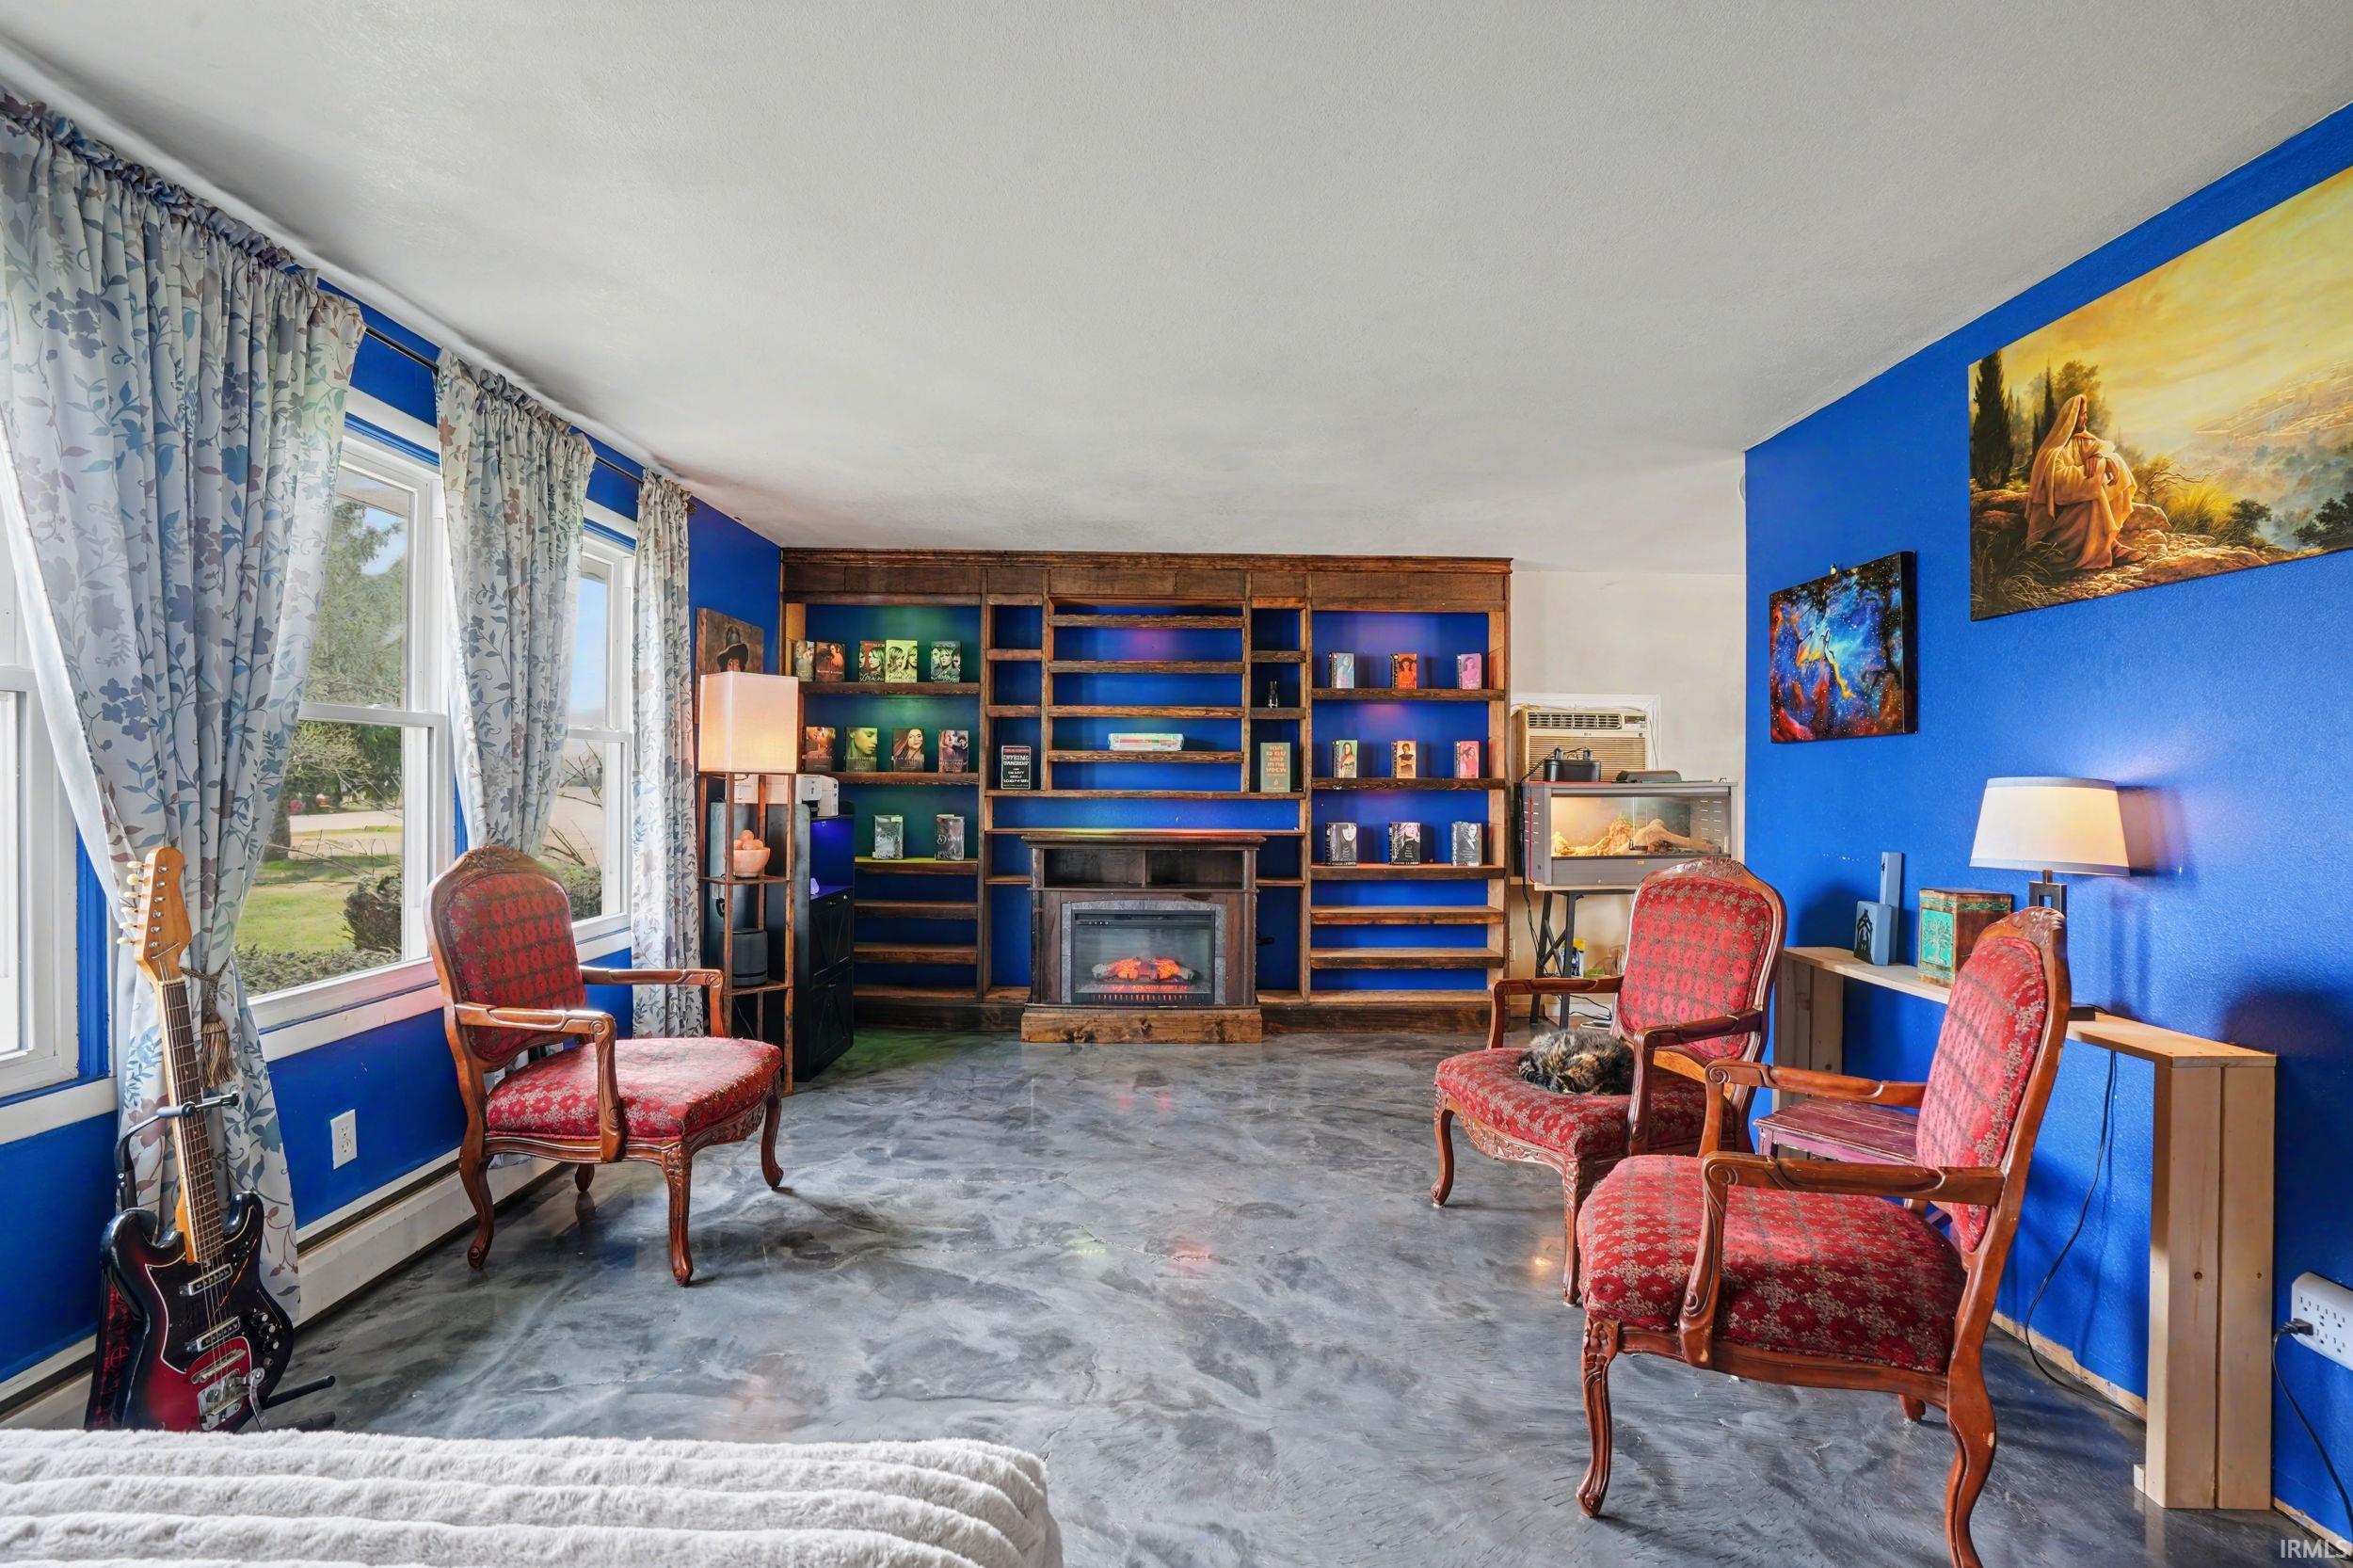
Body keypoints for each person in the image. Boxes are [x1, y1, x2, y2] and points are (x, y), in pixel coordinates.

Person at [2025, 392, 2140, 570]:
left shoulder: (2080, 441)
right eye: (2082, 414)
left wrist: (2099, 456)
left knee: (2113, 460)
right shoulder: (2051, 453)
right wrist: (2101, 465)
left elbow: (2106, 445)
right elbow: (2063, 488)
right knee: (2093, 495)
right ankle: (2111, 547)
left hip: (2076, 514)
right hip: (2058, 524)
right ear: (2072, 418)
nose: (2086, 418)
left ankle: (2109, 544)